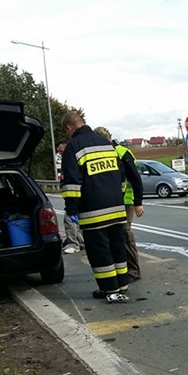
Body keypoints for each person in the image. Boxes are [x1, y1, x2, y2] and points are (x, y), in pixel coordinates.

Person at [60, 111, 130, 304]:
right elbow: (120, 176)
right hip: (116, 207)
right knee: (117, 247)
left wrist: (72, 209)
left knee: (100, 250)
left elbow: (72, 184)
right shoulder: (106, 143)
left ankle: (110, 289)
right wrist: (118, 197)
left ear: (69, 128)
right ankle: (122, 285)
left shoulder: (73, 147)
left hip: (93, 211)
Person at [94, 127, 144, 281]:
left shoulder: (121, 152)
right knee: (115, 236)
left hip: (126, 201)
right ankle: (121, 268)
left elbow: (135, 179)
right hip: (112, 201)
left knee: (125, 234)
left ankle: (133, 271)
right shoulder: (105, 153)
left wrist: (138, 203)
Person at [56, 139, 84, 254]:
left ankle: (73, 243)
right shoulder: (72, 158)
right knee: (79, 220)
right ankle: (81, 242)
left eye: (61, 150)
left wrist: (71, 201)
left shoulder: (71, 160)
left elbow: (72, 181)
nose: (60, 153)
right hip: (78, 195)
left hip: (75, 196)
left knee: (69, 219)